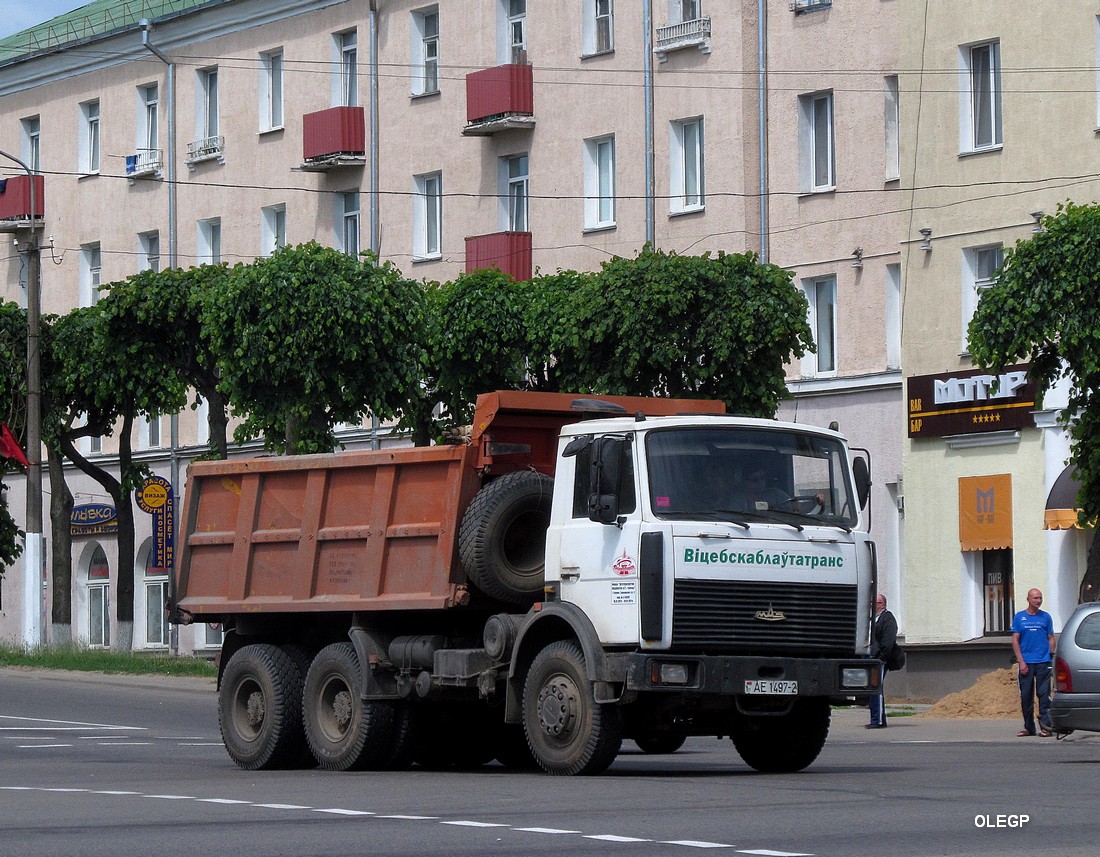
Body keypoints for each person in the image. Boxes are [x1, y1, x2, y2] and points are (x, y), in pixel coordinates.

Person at [1011, 588, 1055, 737]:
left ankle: (1046, 727)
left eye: (1040, 598)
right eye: (1035, 598)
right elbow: (1015, 641)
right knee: (1026, 697)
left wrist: (1051, 657)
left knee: (1044, 696)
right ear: (1028, 599)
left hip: (1043, 662)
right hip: (1026, 663)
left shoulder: (1046, 617)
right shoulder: (1019, 617)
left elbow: (1051, 638)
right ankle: (1029, 727)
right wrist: (1021, 662)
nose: (1038, 601)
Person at [868, 594, 897, 729]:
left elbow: (888, 640)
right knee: (871, 689)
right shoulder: (871, 619)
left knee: (876, 689)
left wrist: (882, 657)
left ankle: (877, 721)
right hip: (869, 658)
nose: (872, 605)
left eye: (876, 602)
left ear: (883, 605)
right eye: (872, 602)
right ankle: (877, 718)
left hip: (879, 660)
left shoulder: (887, 618)